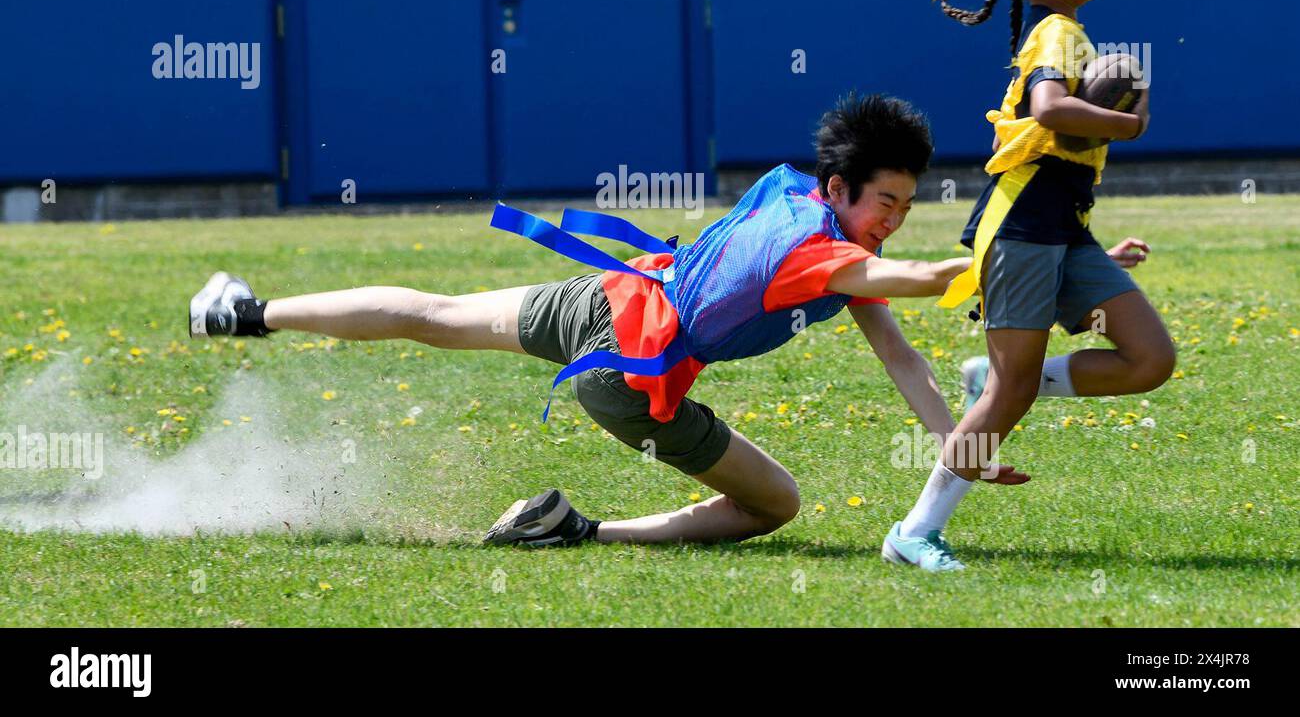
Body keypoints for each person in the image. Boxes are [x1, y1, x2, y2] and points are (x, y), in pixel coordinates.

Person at [189, 93, 1026, 548]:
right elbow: (917, 278)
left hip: (611, 295)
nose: (895, 218)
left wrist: (964, 450)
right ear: (840, 189)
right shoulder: (823, 253)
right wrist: (1009, 253)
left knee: (434, 314)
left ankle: (242, 312)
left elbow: (902, 357)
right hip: (630, 375)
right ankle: (580, 530)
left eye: (907, 205)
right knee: (777, 505)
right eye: (886, 201)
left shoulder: (808, 206)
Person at [882, 0, 1176, 571]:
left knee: (1149, 358)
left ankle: (1005, 375)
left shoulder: (1068, 32)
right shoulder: (1058, 35)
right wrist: (1129, 125)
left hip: (1061, 229)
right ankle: (914, 533)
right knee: (1007, 398)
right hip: (1021, 225)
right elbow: (1048, 109)